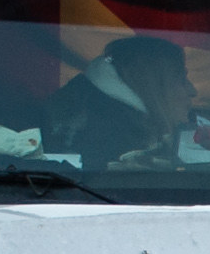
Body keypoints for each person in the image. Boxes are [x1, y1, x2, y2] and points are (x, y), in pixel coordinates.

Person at [44, 33, 198, 166]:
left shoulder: (115, 129)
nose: (193, 91)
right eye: (182, 80)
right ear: (152, 88)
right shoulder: (109, 142)